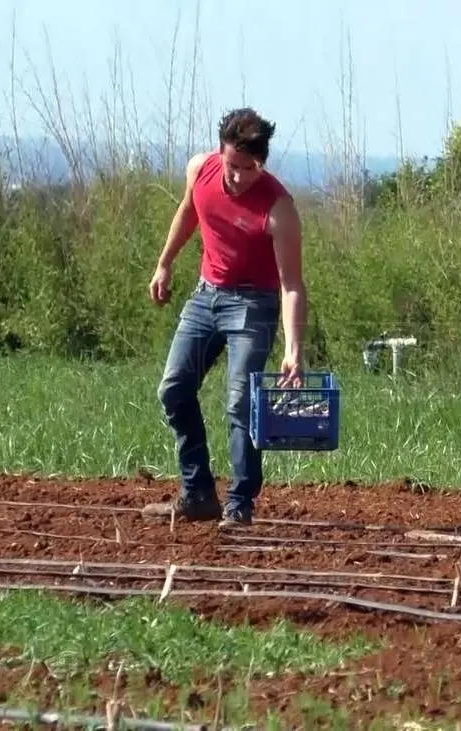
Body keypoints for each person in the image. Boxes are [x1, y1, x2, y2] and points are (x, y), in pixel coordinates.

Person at [141, 108, 306, 528]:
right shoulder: (201, 169)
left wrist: (293, 350)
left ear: (261, 163)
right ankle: (197, 493)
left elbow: (291, 285)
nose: (236, 177)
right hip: (205, 296)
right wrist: (164, 264)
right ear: (221, 152)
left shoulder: (279, 207)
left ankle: (240, 503)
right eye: (231, 165)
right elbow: (189, 212)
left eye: (246, 169)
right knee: (173, 389)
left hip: (254, 306)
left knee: (239, 402)